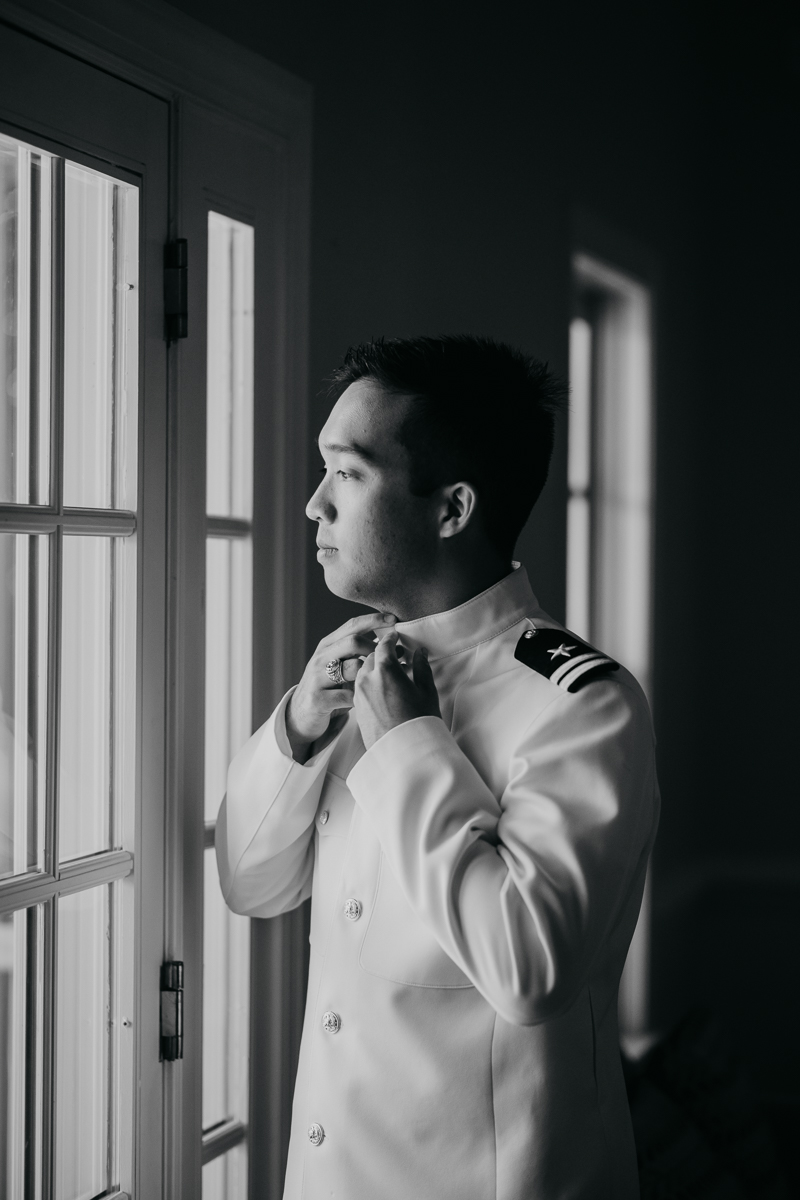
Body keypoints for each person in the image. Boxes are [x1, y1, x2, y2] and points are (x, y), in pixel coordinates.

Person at [216, 335, 659, 1200]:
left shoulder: (584, 705)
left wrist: (412, 747)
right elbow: (250, 885)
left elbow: (531, 972)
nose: (313, 506)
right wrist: (301, 727)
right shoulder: (355, 676)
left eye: (347, 473)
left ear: (452, 508)